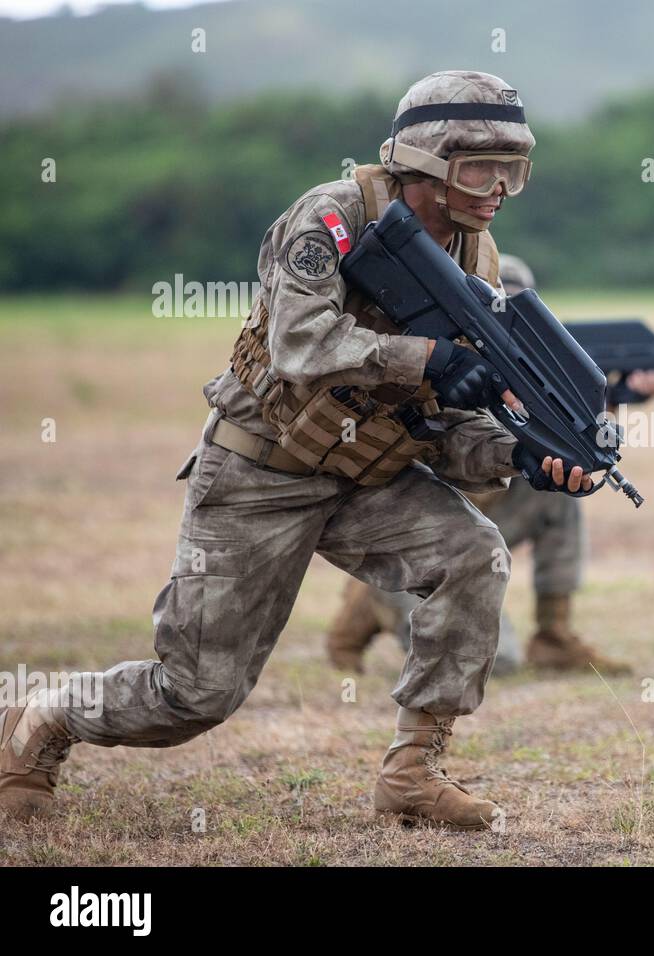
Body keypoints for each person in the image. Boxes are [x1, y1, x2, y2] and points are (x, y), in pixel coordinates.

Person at [0, 71, 595, 831]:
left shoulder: (477, 255)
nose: (501, 188)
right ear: (427, 159)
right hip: (260, 469)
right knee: (195, 695)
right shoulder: (333, 216)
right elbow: (299, 342)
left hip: (368, 476)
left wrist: (523, 457)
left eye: (515, 169)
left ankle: (413, 771)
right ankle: (40, 716)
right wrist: (427, 358)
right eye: (483, 167)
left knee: (475, 553)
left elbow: (442, 422)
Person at [326, 254, 647, 677]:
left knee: (560, 491)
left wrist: (612, 406)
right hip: (423, 541)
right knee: (498, 664)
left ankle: (554, 634)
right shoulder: (440, 362)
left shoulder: (535, 370)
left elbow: (548, 440)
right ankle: (370, 599)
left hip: (481, 528)